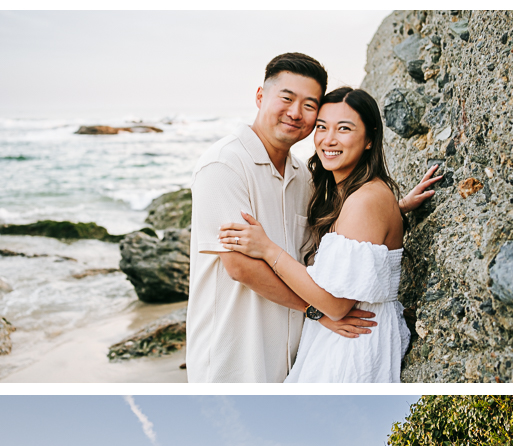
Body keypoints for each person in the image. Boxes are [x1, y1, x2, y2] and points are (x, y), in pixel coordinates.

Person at [186, 52, 442, 382]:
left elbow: (344, 227)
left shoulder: (303, 178)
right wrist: (317, 311)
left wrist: (395, 208)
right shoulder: (223, 165)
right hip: (236, 353)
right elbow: (240, 266)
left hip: (294, 351)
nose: (296, 113)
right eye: (287, 98)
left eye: (309, 105)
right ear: (261, 96)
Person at [219, 86, 414, 382]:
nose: (328, 139)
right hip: (347, 335)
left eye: (344, 129)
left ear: (370, 139)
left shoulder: (365, 200)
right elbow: (365, 238)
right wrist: (399, 207)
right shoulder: (356, 195)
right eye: (322, 127)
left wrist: (268, 249)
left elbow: (335, 305)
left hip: (353, 340)